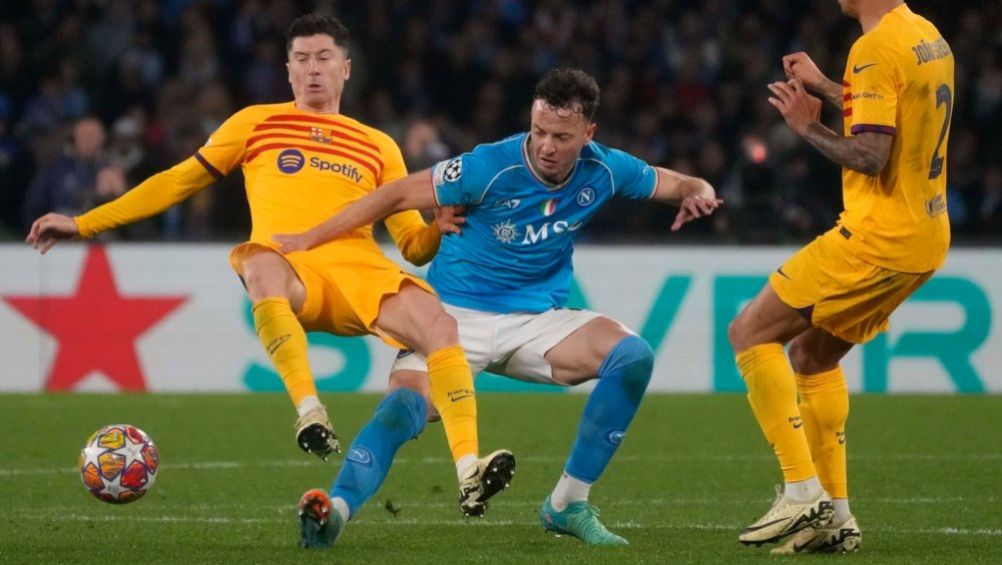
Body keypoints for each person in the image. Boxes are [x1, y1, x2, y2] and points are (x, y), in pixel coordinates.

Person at [24, 13, 513, 518]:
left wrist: (436, 227)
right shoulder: (256, 123)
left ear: (346, 68)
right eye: (302, 59)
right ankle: (309, 410)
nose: (313, 68)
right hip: (292, 268)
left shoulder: (378, 145)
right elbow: (176, 181)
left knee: (440, 326)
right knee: (259, 264)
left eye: (324, 58)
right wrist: (85, 224)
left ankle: (469, 470)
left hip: (362, 275)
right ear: (288, 70)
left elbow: (411, 245)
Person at [275, 67, 722, 548]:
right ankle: (334, 514)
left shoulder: (606, 169)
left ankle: (567, 504)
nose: (546, 146)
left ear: (588, 134)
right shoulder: (488, 167)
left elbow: (676, 182)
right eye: (539, 131)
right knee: (403, 407)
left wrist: (699, 191)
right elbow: (396, 193)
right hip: (450, 320)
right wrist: (309, 239)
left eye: (561, 137)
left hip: (536, 323)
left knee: (633, 357)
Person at [727, 0, 954, 553]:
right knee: (811, 357)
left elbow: (872, 155)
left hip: (877, 237)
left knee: (750, 332)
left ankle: (803, 493)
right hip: (924, 236)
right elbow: (894, 108)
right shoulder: (925, 34)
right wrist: (828, 85)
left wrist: (807, 126)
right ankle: (837, 519)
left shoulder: (873, 48)